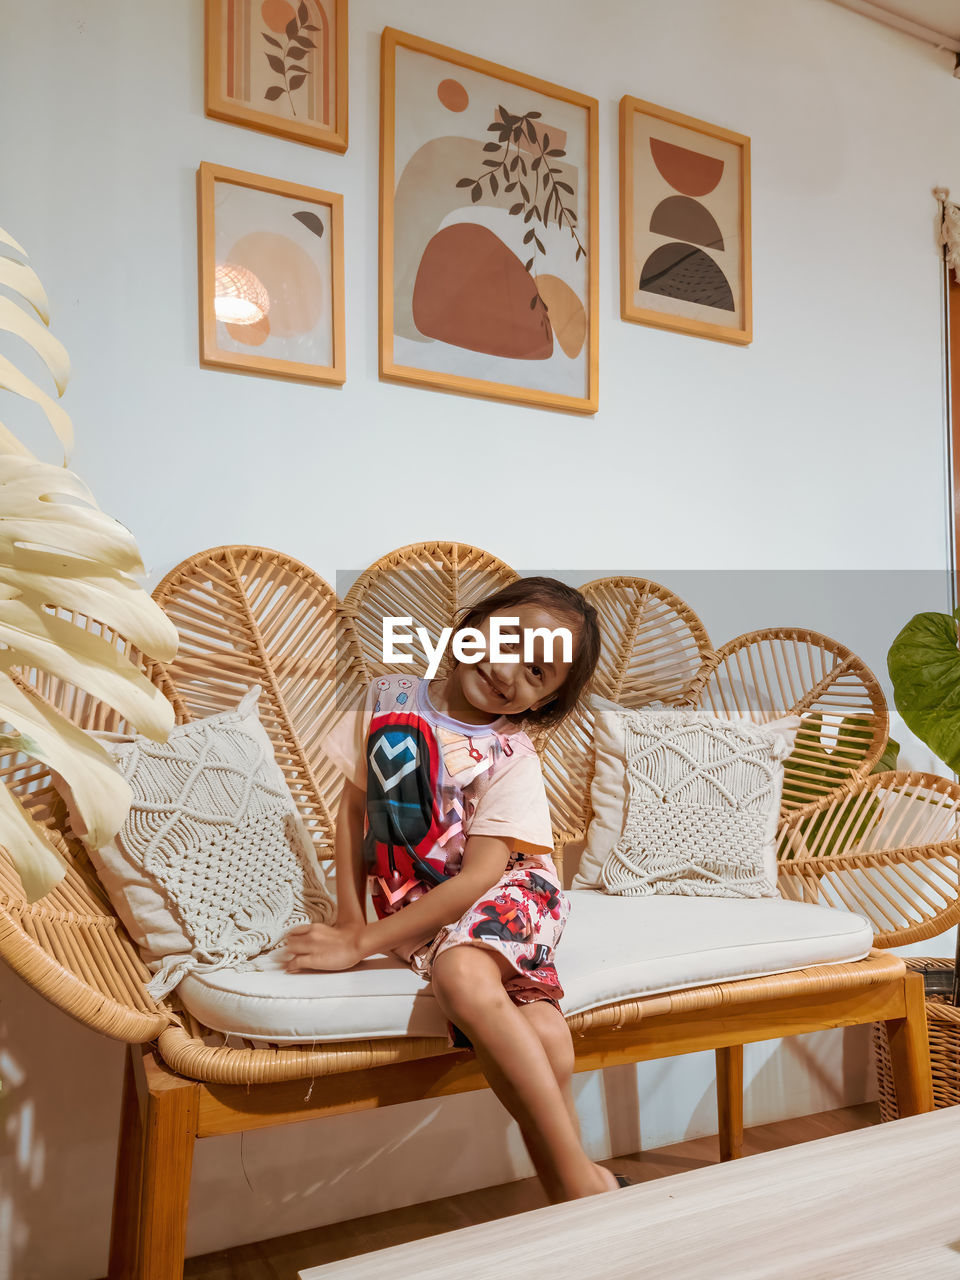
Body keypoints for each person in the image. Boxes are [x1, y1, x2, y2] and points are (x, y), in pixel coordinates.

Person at [283, 577, 627, 1202]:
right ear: (474, 624)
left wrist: (363, 944)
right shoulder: (389, 699)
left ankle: (577, 1186)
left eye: (538, 672)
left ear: (543, 702)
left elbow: (480, 876)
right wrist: (346, 921)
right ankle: (584, 1193)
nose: (508, 671)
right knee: (546, 1034)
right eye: (510, 640)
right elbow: (354, 812)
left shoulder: (510, 757)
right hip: (424, 907)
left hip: (511, 893)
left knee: (463, 977)